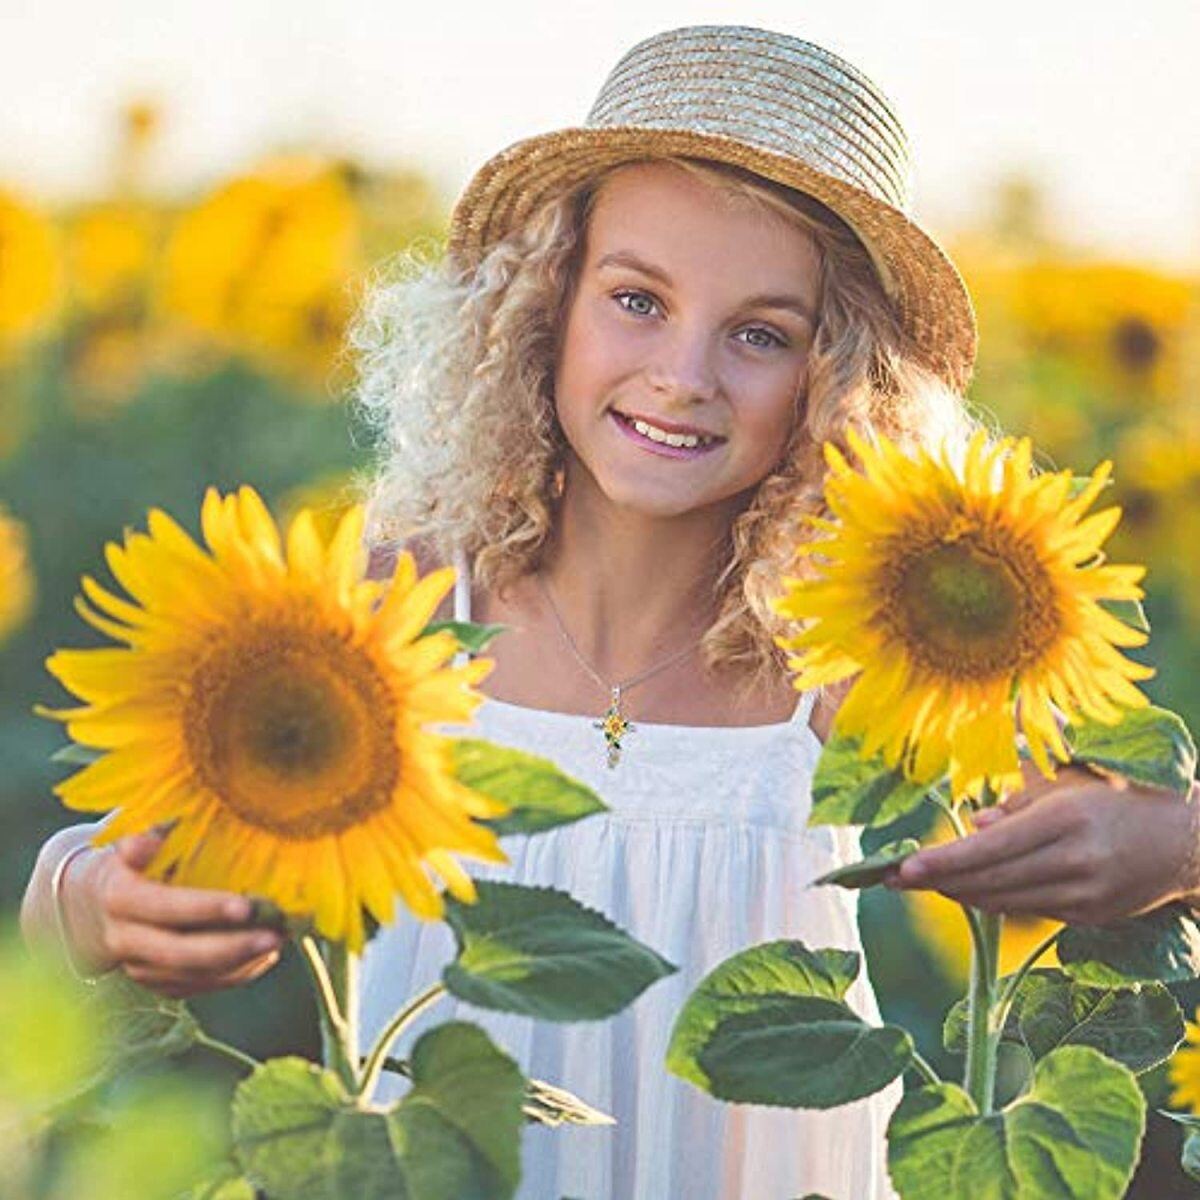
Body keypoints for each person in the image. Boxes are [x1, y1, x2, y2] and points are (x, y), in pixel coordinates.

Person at [20, 23, 1200, 1200]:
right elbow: (98, 861)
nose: (684, 373)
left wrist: (1168, 844)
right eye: (638, 299)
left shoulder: (845, 654)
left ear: (836, 378)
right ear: (546, 301)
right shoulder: (402, 605)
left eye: (759, 334)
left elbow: (1100, 818)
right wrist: (92, 900)